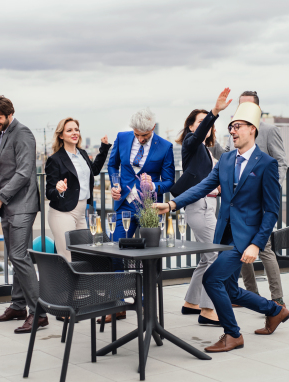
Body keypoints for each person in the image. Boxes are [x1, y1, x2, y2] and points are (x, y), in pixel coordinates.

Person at [154, 98, 289, 352]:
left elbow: (271, 211)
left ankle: (233, 334)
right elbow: (202, 187)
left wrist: (256, 244)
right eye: (231, 127)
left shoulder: (267, 165)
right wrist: (172, 205)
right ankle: (275, 311)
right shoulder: (227, 160)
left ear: (252, 129)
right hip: (224, 234)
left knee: (212, 279)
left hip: (245, 238)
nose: (233, 131)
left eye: (238, 126)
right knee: (230, 289)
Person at [210, 91, 287, 306]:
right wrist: (211, 141)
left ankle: (277, 299)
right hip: (239, 203)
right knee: (240, 245)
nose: (240, 112)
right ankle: (251, 294)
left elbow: (281, 161)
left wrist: (270, 189)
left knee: (265, 249)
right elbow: (225, 155)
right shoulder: (236, 131)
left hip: (261, 200)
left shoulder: (269, 130)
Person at [105, 107, 175, 323]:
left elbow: (169, 181)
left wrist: (153, 185)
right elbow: (112, 165)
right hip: (124, 206)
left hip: (149, 211)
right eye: (137, 134)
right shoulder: (122, 138)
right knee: (115, 252)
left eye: (144, 135)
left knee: (148, 259)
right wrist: (115, 184)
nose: (140, 138)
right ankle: (118, 304)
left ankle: (145, 303)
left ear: (153, 128)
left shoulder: (165, 147)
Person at [0, 95, 47, 334]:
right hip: (9, 205)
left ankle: (38, 313)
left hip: (22, 205)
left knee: (20, 257)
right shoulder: (0, 136)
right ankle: (19, 306)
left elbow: (23, 172)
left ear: (10, 113)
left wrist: (1, 196)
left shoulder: (23, 133)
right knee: (15, 257)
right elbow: (4, 172)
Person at [171, 88, 232, 326]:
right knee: (215, 256)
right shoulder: (191, 143)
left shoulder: (207, 151)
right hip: (198, 207)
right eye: (200, 122)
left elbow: (205, 179)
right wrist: (214, 112)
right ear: (191, 127)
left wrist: (216, 190)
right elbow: (197, 138)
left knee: (207, 258)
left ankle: (191, 302)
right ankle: (208, 310)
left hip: (206, 205)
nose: (206, 127)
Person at [45, 117, 111, 261]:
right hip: (62, 213)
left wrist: (104, 148)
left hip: (81, 212)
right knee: (67, 256)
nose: (74, 133)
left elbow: (94, 170)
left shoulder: (83, 154)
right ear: (61, 135)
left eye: (76, 129)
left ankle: (79, 284)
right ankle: (64, 284)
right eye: (69, 130)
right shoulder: (55, 160)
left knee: (82, 256)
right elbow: (49, 192)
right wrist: (58, 190)